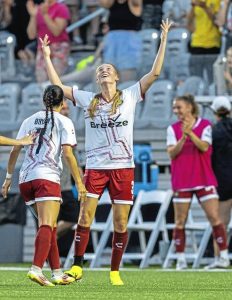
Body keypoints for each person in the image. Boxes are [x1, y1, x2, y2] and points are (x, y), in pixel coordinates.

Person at [40, 18, 172, 285]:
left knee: (120, 223)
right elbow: (58, 88)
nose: (103, 71)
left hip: (123, 168)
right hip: (96, 167)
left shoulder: (130, 95)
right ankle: (77, 267)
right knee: (84, 215)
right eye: (100, 69)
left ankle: (114, 271)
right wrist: (47, 57)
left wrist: (164, 39)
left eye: (107, 69)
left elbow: (155, 74)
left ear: (116, 77)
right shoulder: (89, 99)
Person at [1, 85, 87, 287]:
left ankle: (57, 272)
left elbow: (15, 148)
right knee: (47, 225)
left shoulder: (28, 120)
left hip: (25, 179)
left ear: (43, 100)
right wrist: (80, 183)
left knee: (49, 226)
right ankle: (36, 269)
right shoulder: (64, 121)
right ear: (63, 102)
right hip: (47, 177)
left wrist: (7, 178)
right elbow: (68, 154)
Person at [166, 94, 229, 270]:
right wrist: (183, 138)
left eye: (179, 107)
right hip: (182, 180)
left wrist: (190, 133)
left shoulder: (206, 125)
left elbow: (204, 147)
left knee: (215, 219)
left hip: (204, 178)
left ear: (190, 107)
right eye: (174, 107)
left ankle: (224, 257)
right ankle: (181, 260)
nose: (176, 111)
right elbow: (171, 153)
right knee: (180, 221)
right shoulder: (172, 129)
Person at [207, 96, 232, 268]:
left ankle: (220, 258)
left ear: (215, 112)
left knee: (221, 222)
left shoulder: (213, 131)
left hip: (223, 181)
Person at [26, 0, 70, 82]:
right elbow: (31, 35)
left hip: (59, 47)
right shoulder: (38, 9)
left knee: (56, 80)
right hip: (42, 48)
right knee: (41, 81)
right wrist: (33, 16)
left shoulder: (61, 8)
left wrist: (45, 15)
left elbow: (56, 32)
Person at [99, 0, 143, 82]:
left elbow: (137, 2)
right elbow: (103, 3)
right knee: (109, 77)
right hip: (112, 42)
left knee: (127, 78)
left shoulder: (133, 3)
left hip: (129, 41)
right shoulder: (111, 3)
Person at [187, 0, 221, 84]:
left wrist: (205, 7)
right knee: (196, 77)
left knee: (213, 77)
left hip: (212, 43)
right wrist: (193, 7)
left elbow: (217, 21)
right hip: (197, 43)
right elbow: (189, 21)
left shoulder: (217, 1)